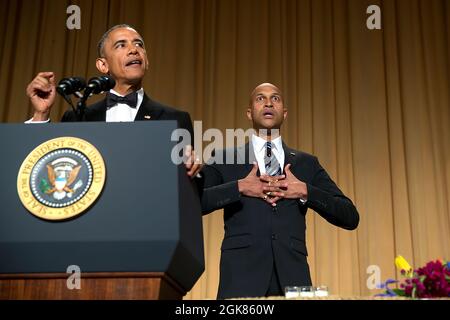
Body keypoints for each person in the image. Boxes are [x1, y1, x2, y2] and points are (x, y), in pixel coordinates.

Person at [199, 83, 360, 299]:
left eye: (275, 98)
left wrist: (305, 191)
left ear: (284, 113)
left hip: (294, 282)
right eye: (260, 98)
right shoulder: (224, 158)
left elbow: (349, 216)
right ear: (249, 113)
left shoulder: (307, 164)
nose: (268, 102)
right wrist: (239, 187)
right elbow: (192, 203)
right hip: (240, 280)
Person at [25, 24, 200, 177]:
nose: (133, 50)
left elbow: (189, 190)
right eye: (121, 45)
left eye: (138, 44)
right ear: (103, 65)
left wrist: (193, 170)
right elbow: (47, 169)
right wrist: (41, 113)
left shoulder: (175, 120)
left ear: (147, 61)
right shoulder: (77, 117)